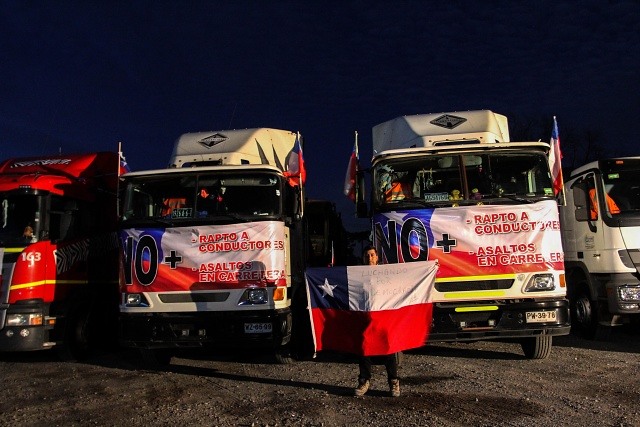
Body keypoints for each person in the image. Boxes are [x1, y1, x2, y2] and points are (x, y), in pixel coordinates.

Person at [354, 245, 401, 397]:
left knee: (388, 349)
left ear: (377, 257)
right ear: (363, 258)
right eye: (367, 255)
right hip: (365, 318)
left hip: (383, 318)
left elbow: (406, 280)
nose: (370, 258)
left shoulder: (386, 273)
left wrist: (430, 268)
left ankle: (394, 382)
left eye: (372, 255)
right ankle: (364, 381)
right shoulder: (357, 275)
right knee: (364, 350)